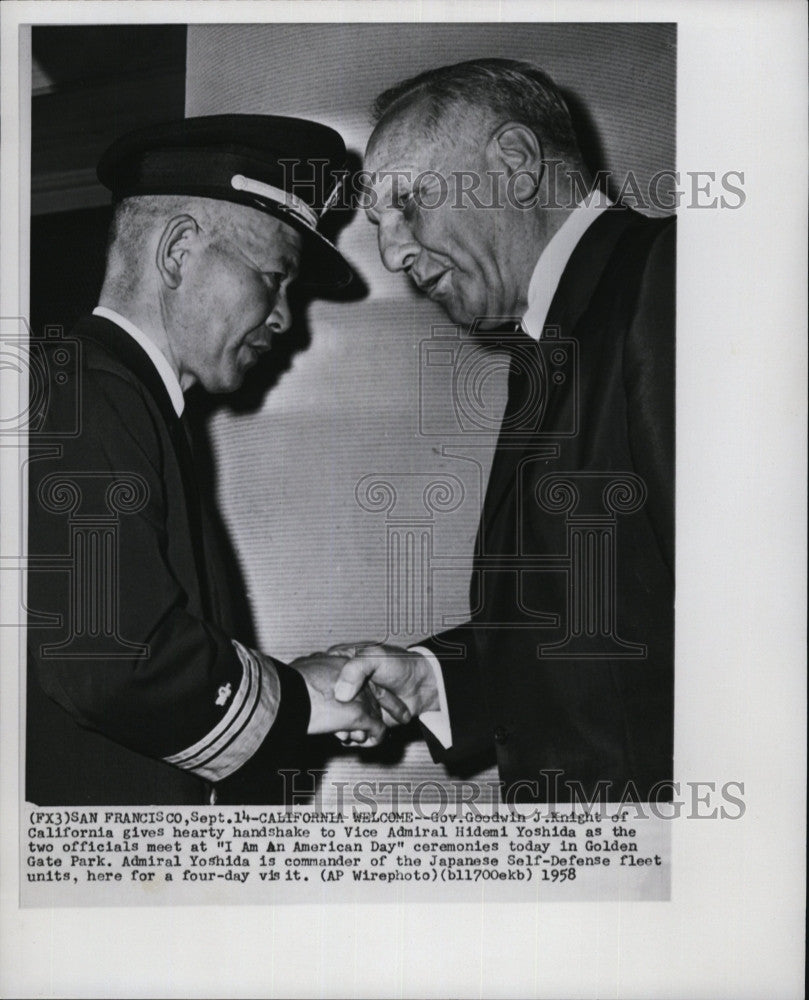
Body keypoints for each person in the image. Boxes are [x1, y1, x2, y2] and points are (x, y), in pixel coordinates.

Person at [26, 115, 403, 806]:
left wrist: (296, 690)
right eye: (272, 276)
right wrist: (301, 702)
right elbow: (110, 661)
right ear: (177, 252)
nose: (285, 317)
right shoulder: (92, 395)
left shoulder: (119, 400)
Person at [333, 59, 675, 804]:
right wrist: (430, 678)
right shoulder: (552, 337)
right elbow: (605, 618)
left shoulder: (673, 277)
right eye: (378, 224)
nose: (392, 254)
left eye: (408, 203)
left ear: (515, 164)